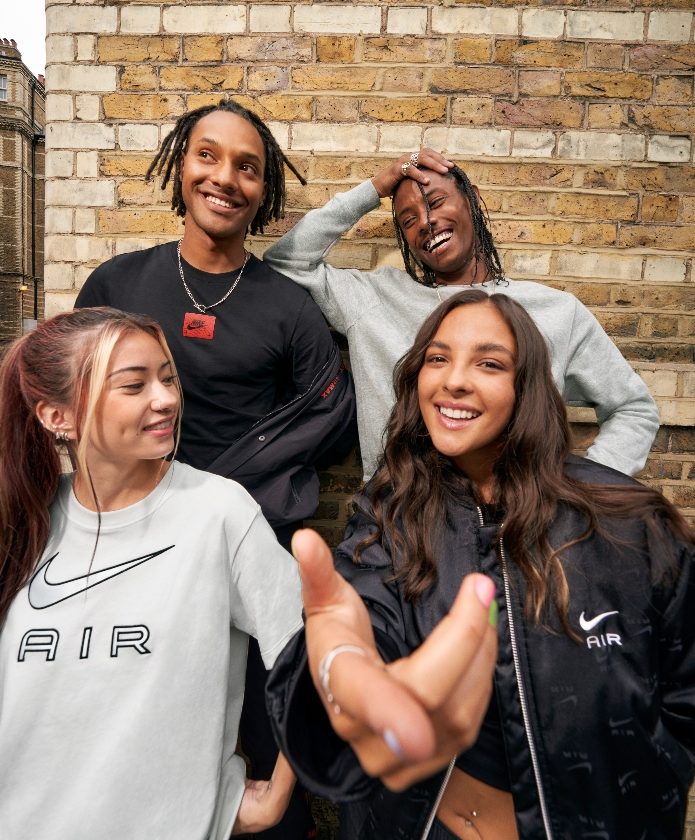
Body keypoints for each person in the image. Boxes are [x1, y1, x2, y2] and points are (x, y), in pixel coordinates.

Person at [267, 291, 695, 839]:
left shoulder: (631, 526)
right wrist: (341, 664)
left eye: (489, 364)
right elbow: (361, 619)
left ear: (527, 388)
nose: (454, 380)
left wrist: (649, 782)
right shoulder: (390, 512)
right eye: (438, 358)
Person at [75, 99, 356, 839]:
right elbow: (73, 400)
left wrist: (229, 486)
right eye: (208, 155)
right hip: (128, 550)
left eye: (247, 167)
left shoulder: (286, 307)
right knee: (129, 724)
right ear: (180, 166)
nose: (225, 178)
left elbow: (330, 411)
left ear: (264, 191)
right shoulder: (117, 285)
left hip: (244, 552)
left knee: (264, 726)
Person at [0, 307, 303, 840]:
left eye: (167, 378)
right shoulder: (22, 520)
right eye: (134, 385)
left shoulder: (217, 512)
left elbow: (321, 654)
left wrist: (277, 792)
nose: (165, 399)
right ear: (57, 416)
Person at [263, 148, 659, 480]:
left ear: (471, 200)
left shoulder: (555, 311)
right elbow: (286, 261)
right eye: (408, 220)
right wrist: (376, 187)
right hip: (402, 524)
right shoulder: (374, 299)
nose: (426, 222)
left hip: (520, 525)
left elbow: (633, 408)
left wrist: (583, 490)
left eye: (436, 203)